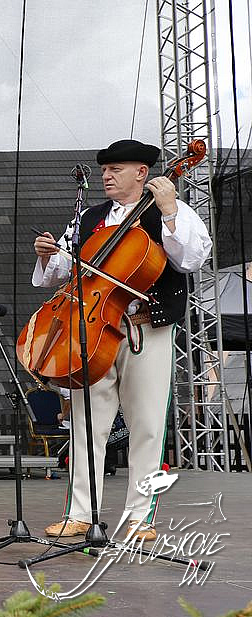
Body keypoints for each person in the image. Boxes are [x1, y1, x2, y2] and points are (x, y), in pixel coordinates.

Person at [32, 139, 212, 541]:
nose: (106, 177)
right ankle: (80, 513)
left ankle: (139, 517)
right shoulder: (90, 217)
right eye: (104, 171)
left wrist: (169, 210)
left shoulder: (173, 211)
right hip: (93, 331)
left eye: (115, 169)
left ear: (141, 173)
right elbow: (62, 270)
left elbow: (191, 259)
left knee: (146, 425)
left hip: (148, 328)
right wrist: (47, 255)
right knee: (86, 425)